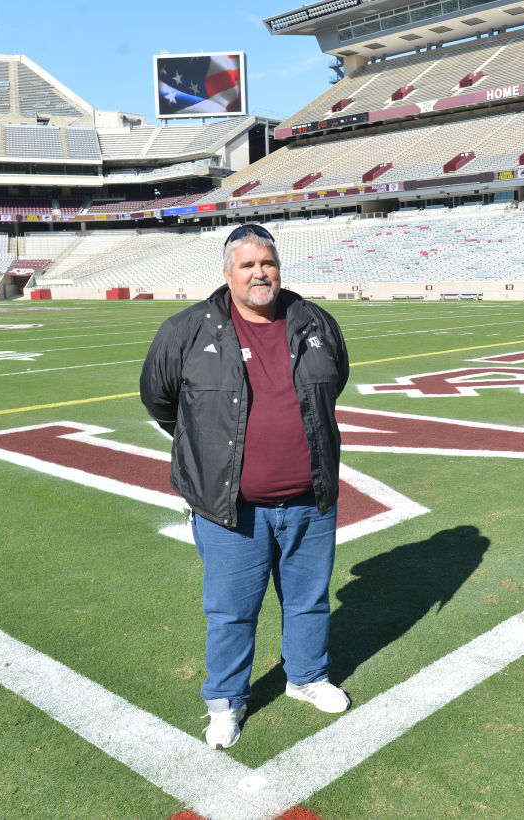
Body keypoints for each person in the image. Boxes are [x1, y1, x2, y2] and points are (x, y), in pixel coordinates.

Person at [140, 223, 351, 750]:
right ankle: (227, 702)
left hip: (309, 499)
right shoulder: (188, 329)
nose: (260, 273)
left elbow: (334, 382)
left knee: (308, 600)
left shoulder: (315, 322)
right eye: (248, 265)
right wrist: (208, 449)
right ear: (228, 273)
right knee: (231, 609)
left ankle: (307, 677)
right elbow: (159, 399)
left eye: (268, 263)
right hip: (229, 506)